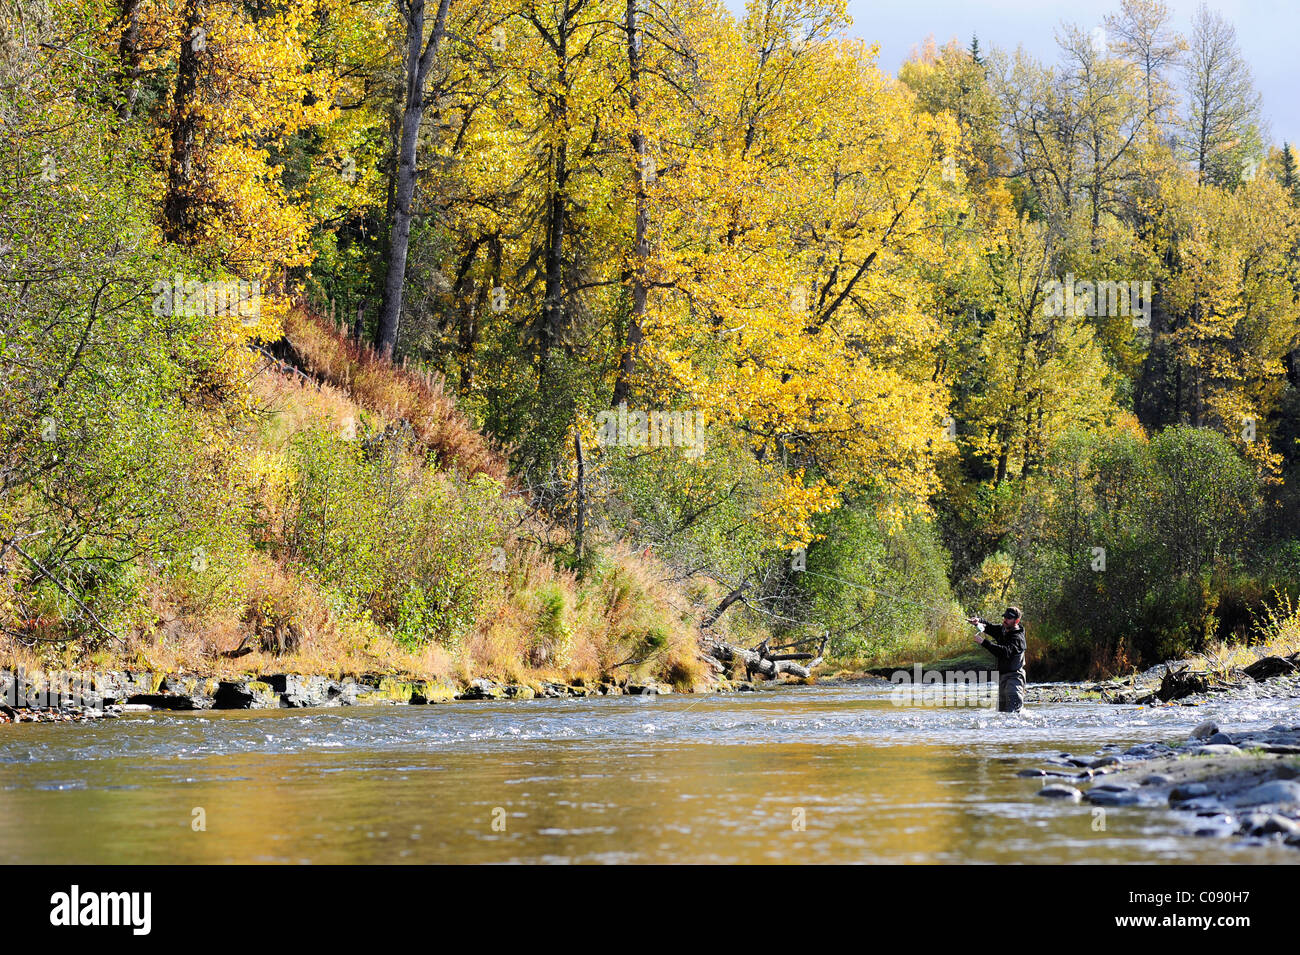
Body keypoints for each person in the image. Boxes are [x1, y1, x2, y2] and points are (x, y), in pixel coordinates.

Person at [967, 607, 1027, 713]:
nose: (1005, 619)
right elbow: (989, 627)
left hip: (1015, 677)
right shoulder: (1003, 629)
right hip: (1002, 677)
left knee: (1014, 713)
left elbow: (1004, 652)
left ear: (1017, 621)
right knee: (1001, 713)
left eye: (1009, 618)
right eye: (1005, 617)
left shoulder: (1018, 638)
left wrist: (984, 642)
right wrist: (978, 622)